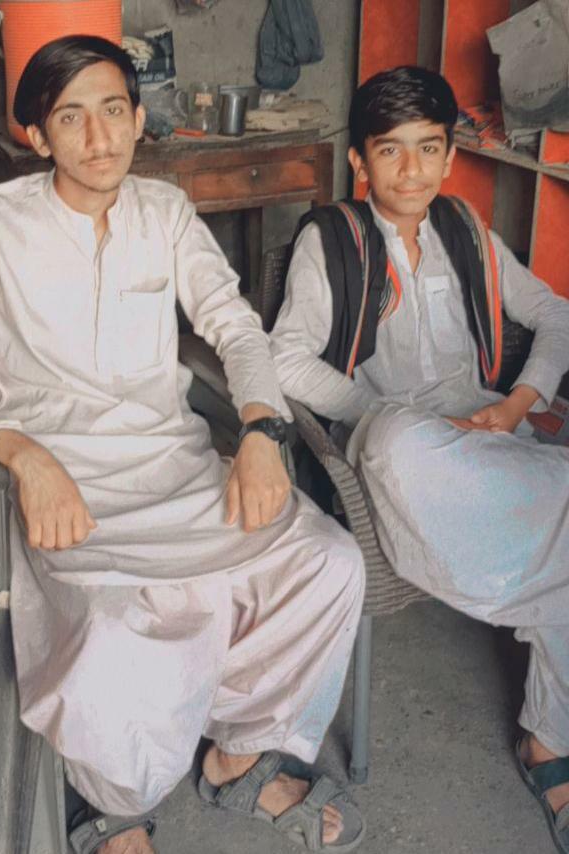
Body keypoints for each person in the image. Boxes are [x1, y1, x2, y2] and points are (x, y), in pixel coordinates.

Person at [0, 36, 367, 854]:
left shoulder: (164, 212)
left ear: (138, 119)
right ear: (37, 136)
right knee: (112, 628)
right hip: (62, 485)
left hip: (173, 463)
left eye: (113, 110)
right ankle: (119, 799)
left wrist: (262, 428)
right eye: (71, 118)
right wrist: (20, 452)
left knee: (328, 563)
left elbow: (235, 327)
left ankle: (241, 751)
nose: (99, 138)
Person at [269, 65, 569, 854]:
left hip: (491, 446)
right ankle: (550, 742)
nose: (412, 170)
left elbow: (556, 314)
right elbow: (286, 358)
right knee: (403, 441)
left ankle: (549, 740)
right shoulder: (330, 240)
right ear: (360, 162)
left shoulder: (465, 231)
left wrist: (519, 401)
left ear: (449, 156)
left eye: (429, 148)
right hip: (401, 456)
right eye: (391, 151)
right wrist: (378, 413)